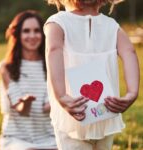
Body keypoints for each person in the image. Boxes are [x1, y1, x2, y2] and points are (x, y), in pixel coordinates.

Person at [44, 0, 140, 150]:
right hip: (96, 111)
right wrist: (132, 92)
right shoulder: (111, 26)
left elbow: (53, 51)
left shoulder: (57, 23)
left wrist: (62, 96)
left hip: (77, 108)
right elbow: (130, 52)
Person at [0, 10, 57, 150]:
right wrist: (26, 103)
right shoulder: (6, 68)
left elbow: (47, 107)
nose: (32, 36)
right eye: (26, 31)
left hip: (49, 138)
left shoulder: (51, 65)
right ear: (17, 34)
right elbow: (21, 110)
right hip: (17, 139)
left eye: (36, 31)